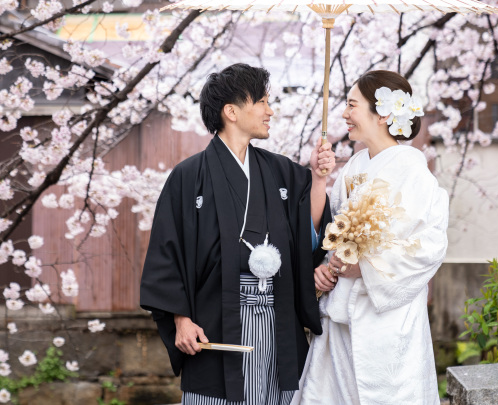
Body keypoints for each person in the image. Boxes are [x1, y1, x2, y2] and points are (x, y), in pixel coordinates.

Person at [140, 63, 334, 405]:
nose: (270, 111)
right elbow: (166, 255)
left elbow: (308, 240)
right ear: (231, 111)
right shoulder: (189, 177)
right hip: (217, 317)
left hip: (277, 315)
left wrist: (318, 180)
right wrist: (181, 319)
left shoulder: (281, 171)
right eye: (261, 101)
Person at [293, 70, 449, 405]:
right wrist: (324, 266)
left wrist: (364, 267)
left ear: (382, 114)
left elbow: (429, 246)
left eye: (352, 105)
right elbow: (330, 233)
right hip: (341, 316)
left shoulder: (413, 171)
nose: (345, 114)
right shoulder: (352, 168)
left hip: (389, 321)